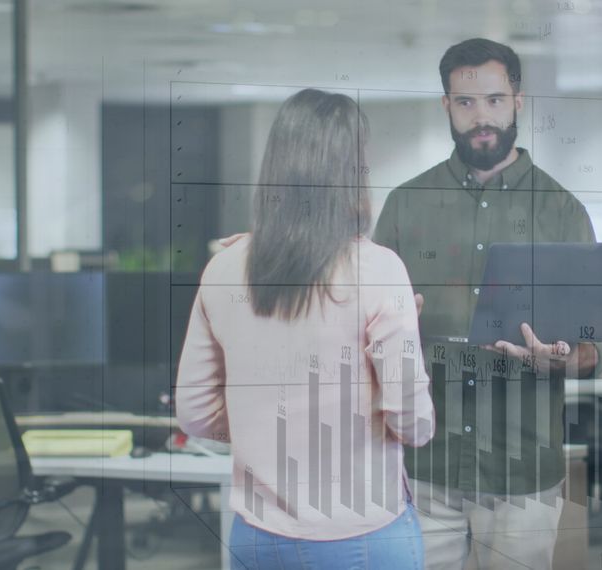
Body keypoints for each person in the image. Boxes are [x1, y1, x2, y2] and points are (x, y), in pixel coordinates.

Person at [372, 38, 602, 569]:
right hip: (423, 465)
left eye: (494, 100)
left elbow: (598, 347)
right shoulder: (404, 205)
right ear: (446, 107)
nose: (481, 117)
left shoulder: (562, 212)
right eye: (465, 103)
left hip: (522, 467)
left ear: (518, 101)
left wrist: (562, 357)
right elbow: (361, 330)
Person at [176, 88, 435, 570]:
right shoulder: (378, 269)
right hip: (362, 534)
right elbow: (414, 424)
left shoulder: (225, 266)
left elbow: (193, 412)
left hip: (257, 536)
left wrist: (264, 432)